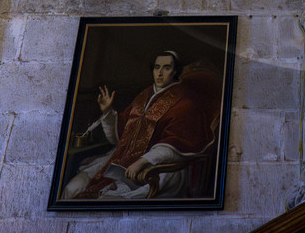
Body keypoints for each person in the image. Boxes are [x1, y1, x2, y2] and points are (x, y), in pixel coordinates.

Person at [61, 50, 216, 200]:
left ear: (175, 71)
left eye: (166, 68)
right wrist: (108, 112)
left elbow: (176, 142)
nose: (160, 73)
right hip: (123, 160)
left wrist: (143, 161)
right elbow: (118, 137)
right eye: (157, 67)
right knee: (71, 189)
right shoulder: (144, 95)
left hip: (161, 166)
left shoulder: (186, 101)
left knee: (110, 200)